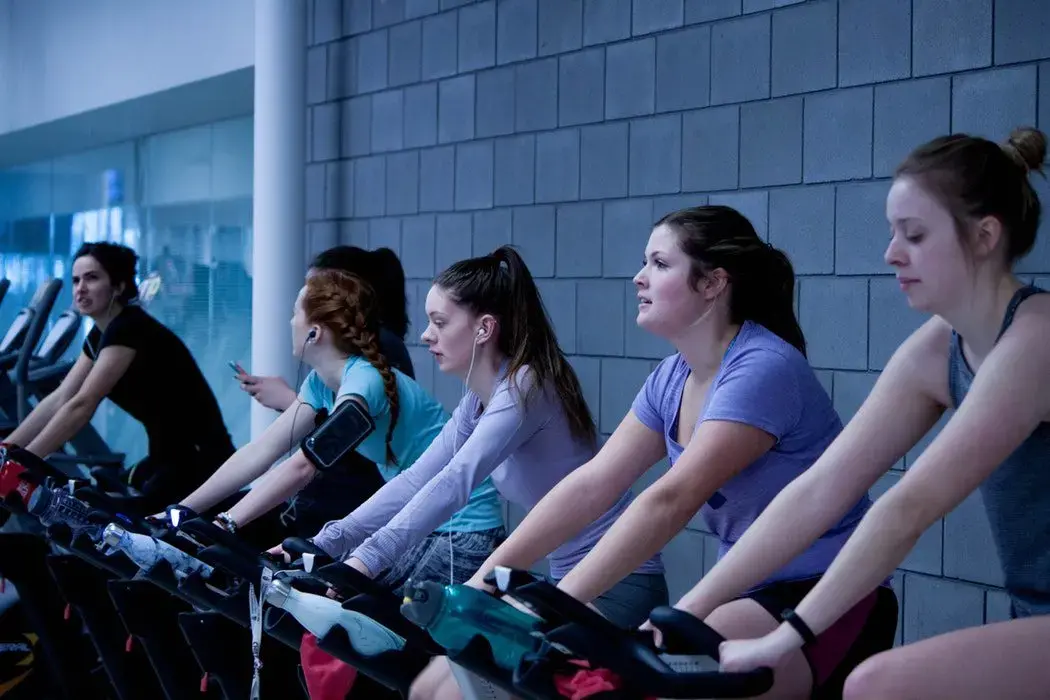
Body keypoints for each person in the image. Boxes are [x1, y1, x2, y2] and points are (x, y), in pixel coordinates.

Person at [431, 206, 898, 699]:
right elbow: (592, 484)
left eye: (659, 263)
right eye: (644, 263)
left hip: (830, 593)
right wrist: (486, 581)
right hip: (751, 591)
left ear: (713, 283)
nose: (639, 277)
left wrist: (558, 605)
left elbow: (672, 499)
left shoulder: (762, 368)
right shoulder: (671, 378)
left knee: (642, 682)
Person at [683, 128, 1050, 700]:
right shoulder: (940, 348)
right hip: (1033, 615)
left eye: (915, 234)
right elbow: (821, 488)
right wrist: (688, 610)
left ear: (984, 236)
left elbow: (909, 507)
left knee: (876, 686)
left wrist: (786, 637)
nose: (891, 253)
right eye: (892, 232)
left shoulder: (1036, 341)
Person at [297, 246, 666, 614]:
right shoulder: (478, 401)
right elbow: (417, 478)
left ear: (484, 328)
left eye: (440, 322)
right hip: (571, 577)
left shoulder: (524, 386)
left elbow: (457, 480)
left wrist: (366, 560)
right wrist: (329, 541)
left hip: (618, 581)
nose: (426, 335)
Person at [172, 268, 504, 552]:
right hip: (423, 521)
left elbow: (303, 466)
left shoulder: (365, 382)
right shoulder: (320, 384)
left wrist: (227, 523)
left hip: (463, 528)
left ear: (314, 332)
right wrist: (182, 511)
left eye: (295, 313)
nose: (290, 321)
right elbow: (260, 451)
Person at [4, 242, 235, 513]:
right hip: (168, 456)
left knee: (109, 515)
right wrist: (8, 450)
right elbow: (61, 397)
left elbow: (82, 404)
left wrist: (22, 464)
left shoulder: (129, 329)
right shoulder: (101, 334)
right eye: (76, 280)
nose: (80, 288)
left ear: (119, 286)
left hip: (200, 459)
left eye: (92, 278)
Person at [236, 246, 414, 411]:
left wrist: (287, 400)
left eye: (315, 294)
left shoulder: (376, 356)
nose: (293, 320)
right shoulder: (317, 381)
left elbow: (352, 432)